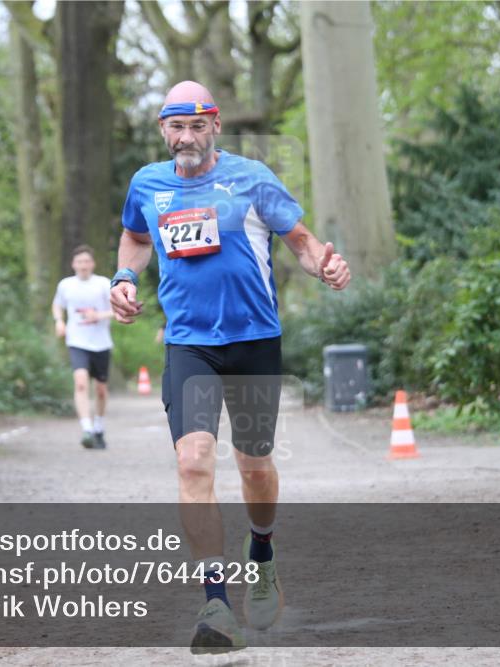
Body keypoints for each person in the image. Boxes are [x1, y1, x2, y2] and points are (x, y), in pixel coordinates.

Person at [110, 81, 351, 653]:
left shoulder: (252, 179)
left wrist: (326, 265)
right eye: (176, 126)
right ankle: (215, 602)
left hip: (253, 340)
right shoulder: (148, 183)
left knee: (254, 466)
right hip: (189, 344)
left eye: (197, 126)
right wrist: (123, 278)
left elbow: (300, 239)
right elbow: (133, 236)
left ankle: (262, 553)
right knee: (193, 461)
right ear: (163, 130)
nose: (186, 137)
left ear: (215, 125)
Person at [52, 245, 115, 450]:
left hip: (101, 343)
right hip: (77, 341)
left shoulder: (103, 284)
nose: (83, 265)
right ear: (73, 265)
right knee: (80, 383)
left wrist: (99, 316)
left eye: (87, 261)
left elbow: (116, 310)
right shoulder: (66, 285)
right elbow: (57, 304)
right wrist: (59, 321)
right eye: (79, 262)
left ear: (93, 264)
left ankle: (99, 426)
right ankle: (86, 429)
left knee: (101, 390)